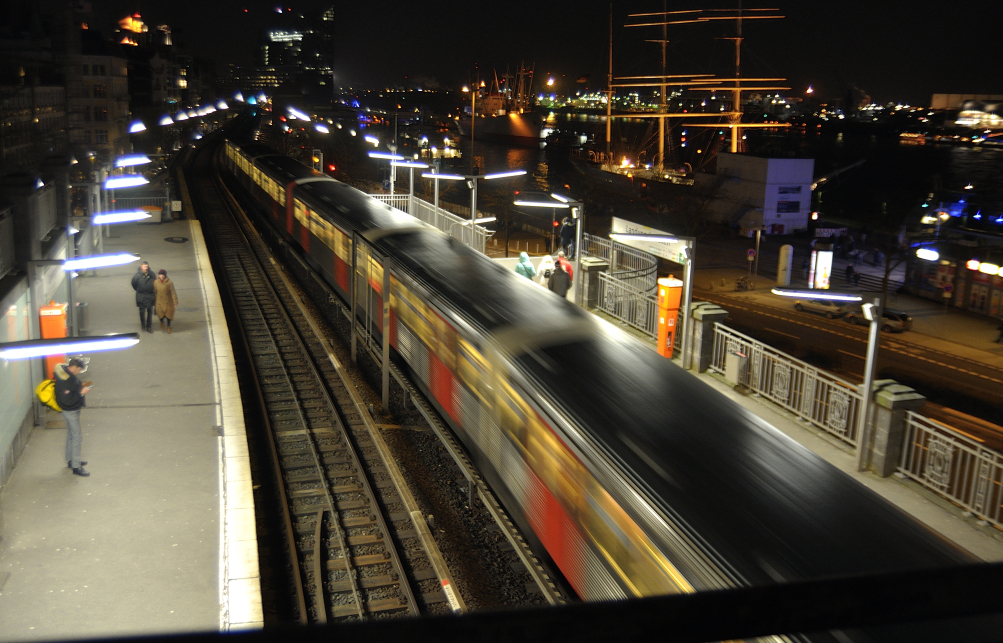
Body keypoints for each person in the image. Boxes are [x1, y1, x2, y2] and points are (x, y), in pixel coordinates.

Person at [54, 357, 92, 477]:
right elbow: (67, 400)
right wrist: (81, 393)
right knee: (77, 437)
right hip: (70, 411)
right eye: (79, 370)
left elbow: (71, 389)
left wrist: (80, 385)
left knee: (71, 435)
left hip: (72, 410)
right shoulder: (65, 380)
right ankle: (76, 466)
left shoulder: (66, 373)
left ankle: (71, 460)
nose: (79, 372)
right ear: (74, 367)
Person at [131, 261, 156, 333]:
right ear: (141, 266)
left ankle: (149, 326)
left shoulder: (152, 274)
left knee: (149, 312)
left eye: (147, 267)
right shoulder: (137, 276)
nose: (146, 268)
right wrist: (139, 290)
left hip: (150, 295)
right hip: (141, 296)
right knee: (142, 312)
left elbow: (155, 282)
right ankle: (143, 324)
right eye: (144, 267)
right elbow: (134, 284)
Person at [154, 268, 179, 333]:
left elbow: (173, 292)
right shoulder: (156, 282)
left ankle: (168, 326)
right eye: (160, 275)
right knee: (160, 313)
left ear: (165, 275)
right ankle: (162, 322)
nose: (161, 276)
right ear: (158, 275)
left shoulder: (169, 282)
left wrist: (175, 301)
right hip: (159, 301)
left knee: (169, 315)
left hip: (168, 302)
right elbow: (154, 292)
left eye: (163, 275)